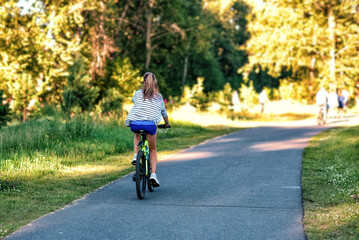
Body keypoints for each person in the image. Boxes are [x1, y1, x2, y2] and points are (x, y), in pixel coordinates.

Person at [125, 72, 170, 187]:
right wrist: (167, 124)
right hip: (150, 125)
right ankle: (153, 175)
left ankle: (136, 155)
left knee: (136, 134)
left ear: (144, 82)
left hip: (135, 123)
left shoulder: (137, 93)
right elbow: (164, 113)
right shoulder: (159, 97)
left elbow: (135, 103)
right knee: (153, 149)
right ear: (155, 83)